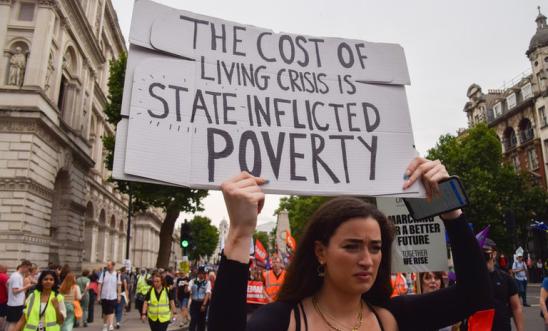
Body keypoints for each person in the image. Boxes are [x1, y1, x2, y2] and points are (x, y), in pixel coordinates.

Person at [208, 158, 494, 331]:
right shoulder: (283, 320)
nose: (367, 260)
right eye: (352, 246)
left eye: (375, 247)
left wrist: (450, 208)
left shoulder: (392, 318)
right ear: (321, 252)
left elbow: (475, 293)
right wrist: (240, 234)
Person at [482, 239, 524, 331]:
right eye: (480, 251)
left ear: (494, 254)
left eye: (486, 251)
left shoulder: (505, 278)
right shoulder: (472, 279)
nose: (484, 254)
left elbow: (516, 307)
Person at [6, 260, 33, 331]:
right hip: (15, 304)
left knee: (13, 323)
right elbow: (15, 291)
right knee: (14, 324)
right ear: (24, 267)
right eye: (28, 269)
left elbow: (7, 283)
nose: (28, 271)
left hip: (14, 303)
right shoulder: (16, 276)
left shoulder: (16, 275)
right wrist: (27, 287)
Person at [97, 261, 121, 331]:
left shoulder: (117, 274)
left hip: (113, 296)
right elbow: (100, 284)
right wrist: (98, 295)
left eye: (109, 265)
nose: (107, 266)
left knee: (111, 311)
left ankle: (110, 325)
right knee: (105, 311)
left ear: (113, 266)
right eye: (107, 265)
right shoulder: (104, 273)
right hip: (104, 296)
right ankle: (105, 324)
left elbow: (119, 285)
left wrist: (119, 295)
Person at [187, 266, 211, 331]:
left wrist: (204, 304)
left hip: (202, 302)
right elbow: (188, 289)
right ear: (198, 273)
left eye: (203, 273)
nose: (202, 275)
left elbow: (207, 293)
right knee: (193, 320)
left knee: (201, 321)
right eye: (201, 273)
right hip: (194, 303)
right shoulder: (193, 281)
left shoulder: (207, 282)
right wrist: (187, 288)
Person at [0, 264, 9, 331]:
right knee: (2, 315)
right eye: (6, 268)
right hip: (3, 300)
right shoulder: (4, 276)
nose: (7, 270)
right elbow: (8, 288)